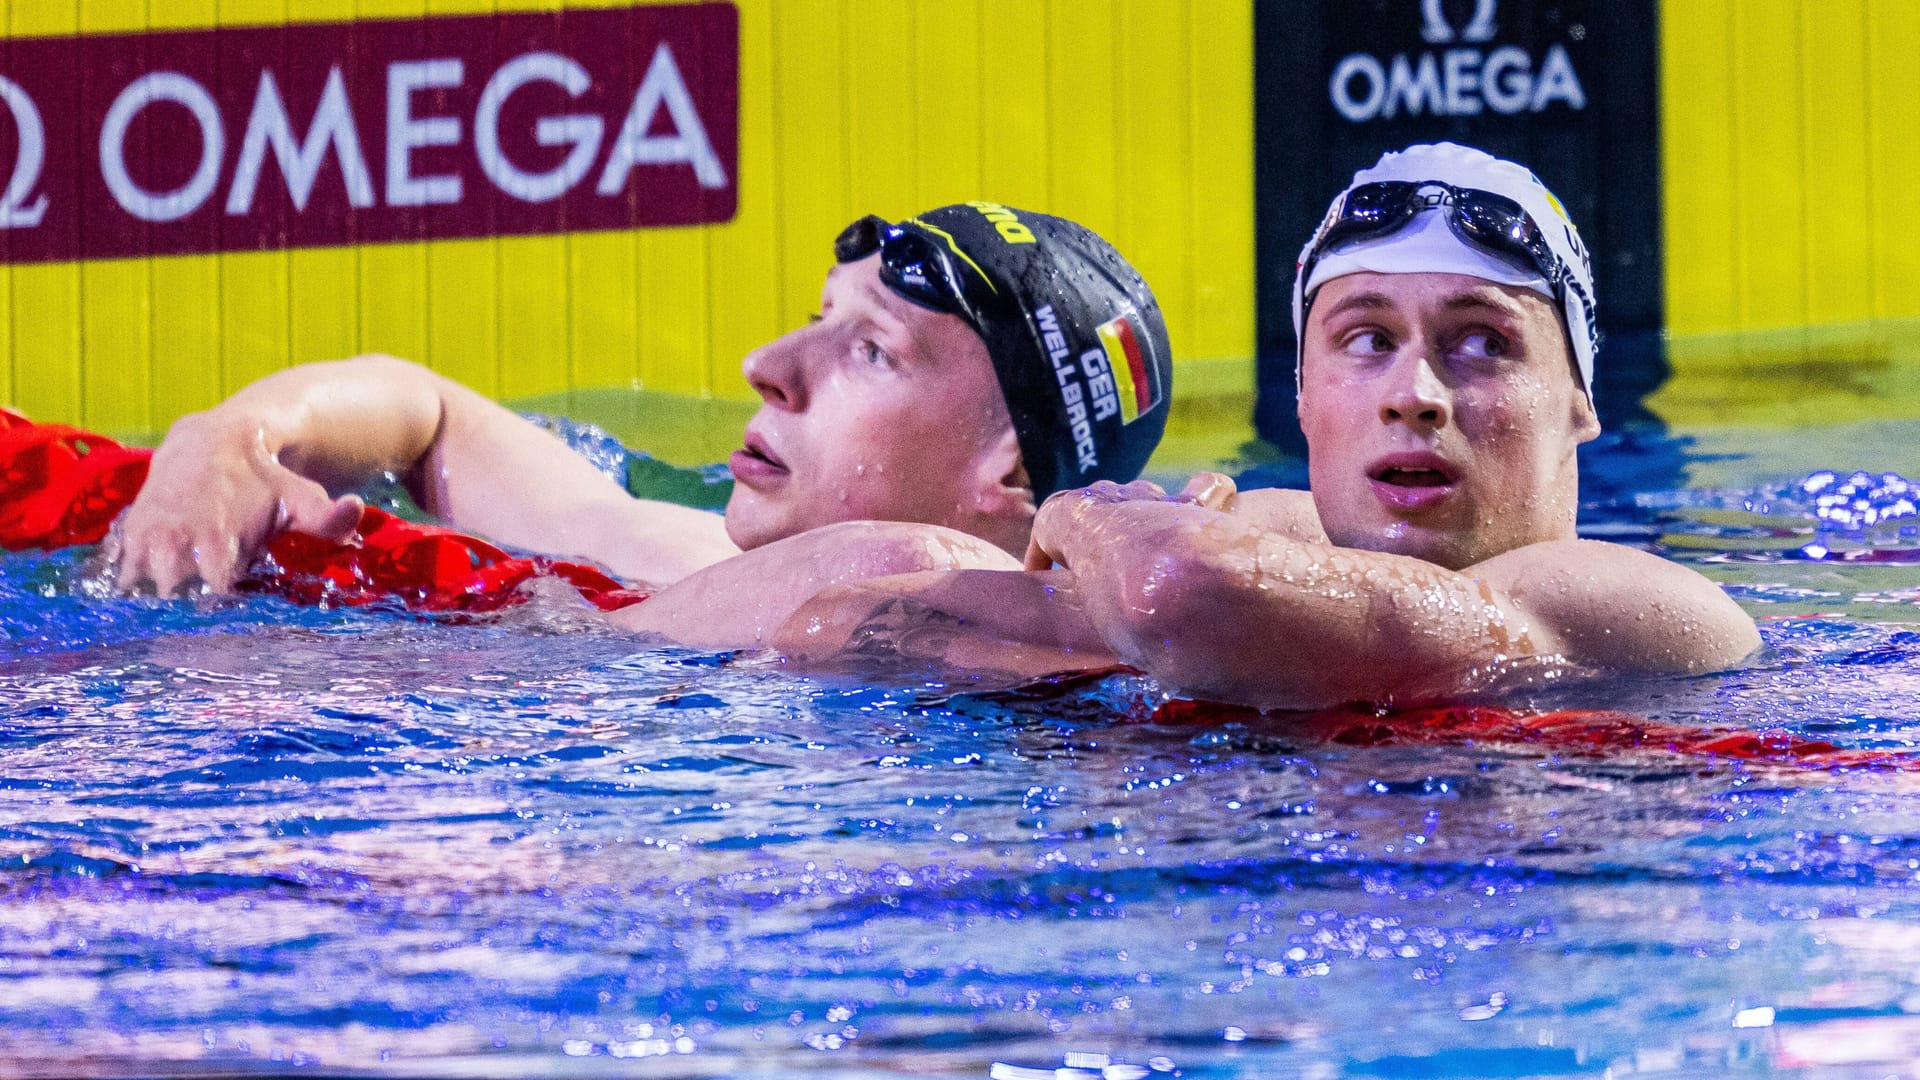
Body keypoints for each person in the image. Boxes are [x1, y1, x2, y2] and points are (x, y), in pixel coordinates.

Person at [775, 143, 1761, 707]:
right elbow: (846, 626)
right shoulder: (1265, 550)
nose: (1414, 390)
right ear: (1300, 397)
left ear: (1581, 400)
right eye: (1365, 339)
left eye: (1482, 344)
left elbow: (1178, 588)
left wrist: (1085, 518)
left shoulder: (1623, 604)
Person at [114, 201, 1172, 646]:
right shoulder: (668, 550)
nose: (766, 369)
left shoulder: (1037, 653)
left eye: (869, 351)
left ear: (1016, 481)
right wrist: (225, 442)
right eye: (816, 319)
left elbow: (903, 573)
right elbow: (424, 412)